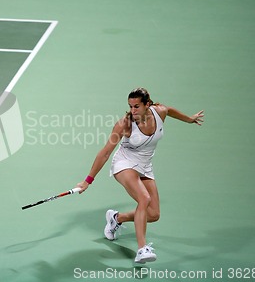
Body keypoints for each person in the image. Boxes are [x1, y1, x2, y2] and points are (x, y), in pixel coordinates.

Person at [76, 87, 204, 264]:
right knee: (144, 198)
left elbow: (170, 111)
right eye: (130, 106)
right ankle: (142, 249)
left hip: (145, 166)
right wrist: (87, 180)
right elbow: (105, 152)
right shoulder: (125, 124)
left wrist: (189, 119)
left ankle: (116, 218)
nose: (133, 111)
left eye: (136, 106)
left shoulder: (160, 112)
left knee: (154, 214)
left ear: (147, 105)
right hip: (124, 163)